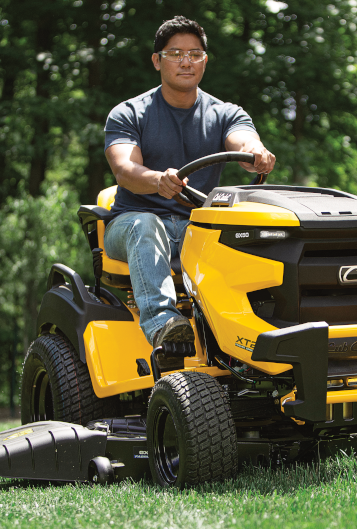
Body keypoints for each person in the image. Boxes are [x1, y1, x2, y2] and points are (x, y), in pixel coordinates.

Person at [103, 16, 275, 349]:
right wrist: (157, 180)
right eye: (175, 53)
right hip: (131, 224)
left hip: (198, 226)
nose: (186, 61)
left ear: (204, 61)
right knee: (146, 223)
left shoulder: (226, 113)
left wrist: (256, 153)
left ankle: (256, 334)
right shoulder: (128, 113)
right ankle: (163, 326)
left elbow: (244, 142)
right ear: (157, 61)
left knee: (256, 229)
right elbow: (124, 170)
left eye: (195, 54)